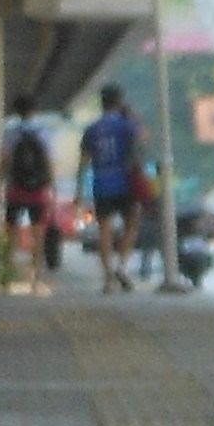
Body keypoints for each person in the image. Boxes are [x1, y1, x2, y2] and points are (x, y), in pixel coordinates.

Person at [76, 85, 145, 290]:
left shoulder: (92, 129)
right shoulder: (126, 125)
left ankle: (107, 276)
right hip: (125, 182)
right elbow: (143, 137)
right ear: (119, 101)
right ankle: (121, 266)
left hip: (101, 183)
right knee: (131, 224)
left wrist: (78, 191)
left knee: (103, 229)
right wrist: (133, 115)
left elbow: (83, 161)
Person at [0, 115, 57, 284]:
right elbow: (49, 162)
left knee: (10, 231)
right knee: (38, 232)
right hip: (38, 191)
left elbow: (4, 161)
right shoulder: (43, 133)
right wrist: (52, 188)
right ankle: (36, 273)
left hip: (15, 189)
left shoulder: (10, 133)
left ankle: (7, 272)